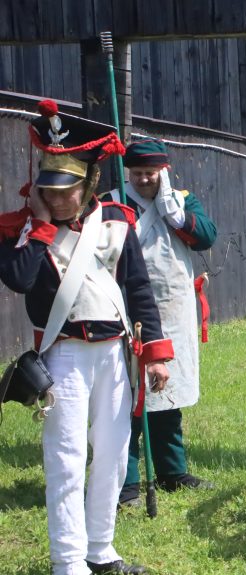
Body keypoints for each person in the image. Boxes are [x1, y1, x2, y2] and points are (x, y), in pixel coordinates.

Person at [0, 101, 173, 575]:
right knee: (67, 459)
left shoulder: (116, 221)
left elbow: (138, 288)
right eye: (49, 190)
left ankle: (101, 549)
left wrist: (155, 354)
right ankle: (68, 561)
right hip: (63, 356)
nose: (58, 199)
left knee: (115, 454)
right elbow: (16, 278)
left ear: (89, 183)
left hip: (114, 354)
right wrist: (38, 227)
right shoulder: (21, 230)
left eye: (67, 190)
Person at [102, 138, 218, 506]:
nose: (143, 180)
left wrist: (176, 215)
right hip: (128, 309)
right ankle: (128, 482)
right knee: (128, 399)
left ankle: (171, 471)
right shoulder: (112, 202)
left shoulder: (182, 200)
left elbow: (206, 237)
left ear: (163, 171)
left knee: (169, 396)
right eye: (136, 173)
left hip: (174, 310)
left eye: (150, 173)